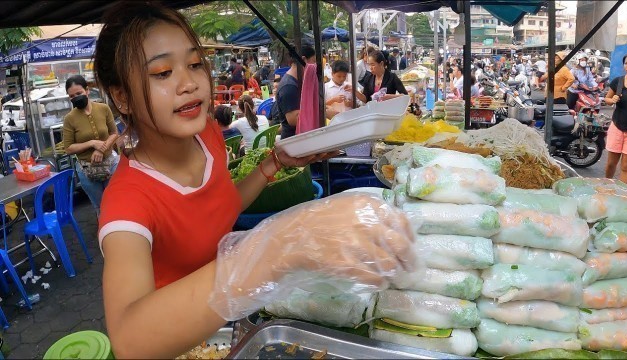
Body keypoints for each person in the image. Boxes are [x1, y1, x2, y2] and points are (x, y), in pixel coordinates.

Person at [93, 4, 414, 358]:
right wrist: (275, 248)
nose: (189, 83)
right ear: (121, 96)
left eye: (196, 64)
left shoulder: (207, 137)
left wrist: (275, 162)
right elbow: (128, 339)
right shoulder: (126, 204)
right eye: (163, 72)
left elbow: (219, 206)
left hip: (229, 323)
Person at [62, 75, 119, 215]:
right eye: (71, 96)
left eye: (79, 93)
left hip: (111, 164)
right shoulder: (70, 118)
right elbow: (68, 148)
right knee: (101, 208)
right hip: (87, 170)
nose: (75, 97)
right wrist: (92, 143)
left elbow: (114, 133)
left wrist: (101, 149)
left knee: (116, 202)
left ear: (87, 90)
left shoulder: (103, 108)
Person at [603, 51, 627, 185]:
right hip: (617, 126)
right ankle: (606, 186)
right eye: (626, 63)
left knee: (625, 167)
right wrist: (611, 100)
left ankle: (622, 194)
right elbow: (606, 99)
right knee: (611, 164)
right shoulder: (618, 81)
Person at [274, 45, 316, 139]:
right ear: (304, 60)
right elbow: (293, 119)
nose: (315, 65)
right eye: (313, 61)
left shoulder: (296, 81)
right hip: (293, 140)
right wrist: (320, 111)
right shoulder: (288, 86)